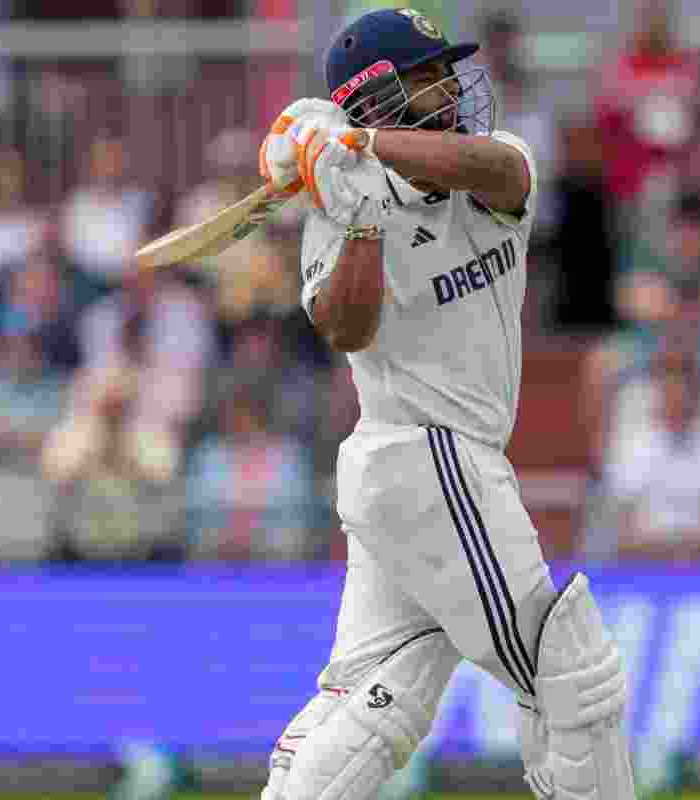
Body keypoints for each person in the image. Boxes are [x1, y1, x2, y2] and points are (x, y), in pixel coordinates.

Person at [252, 9, 635, 800]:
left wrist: (353, 143)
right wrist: (359, 215)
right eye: (429, 77)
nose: (453, 87)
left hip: (430, 473)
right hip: (424, 454)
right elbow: (346, 327)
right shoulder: (343, 204)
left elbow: (486, 167)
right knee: (569, 673)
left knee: (373, 708)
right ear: (382, 93)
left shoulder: (496, 171)